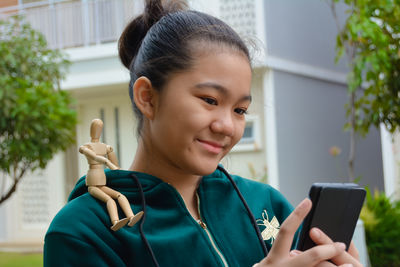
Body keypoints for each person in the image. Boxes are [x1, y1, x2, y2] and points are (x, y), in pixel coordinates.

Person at [44, 0, 362, 266]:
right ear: (148, 98)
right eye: (210, 100)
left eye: (239, 110)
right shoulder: (85, 230)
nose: (226, 126)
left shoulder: (265, 204)